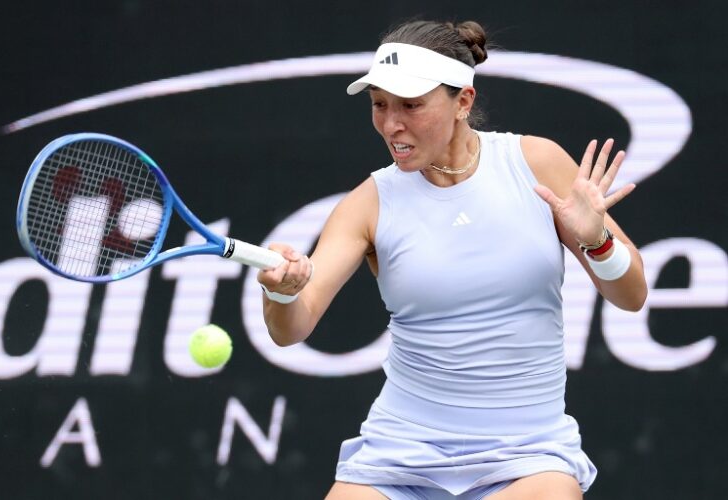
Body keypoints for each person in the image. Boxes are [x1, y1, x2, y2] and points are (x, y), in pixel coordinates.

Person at [257, 19, 647, 500]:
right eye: (379, 104)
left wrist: (598, 242)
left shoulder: (537, 163)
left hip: (529, 453)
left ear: (463, 101)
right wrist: (282, 291)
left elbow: (632, 295)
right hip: (399, 453)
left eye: (411, 105)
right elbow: (290, 328)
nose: (391, 124)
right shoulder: (368, 203)